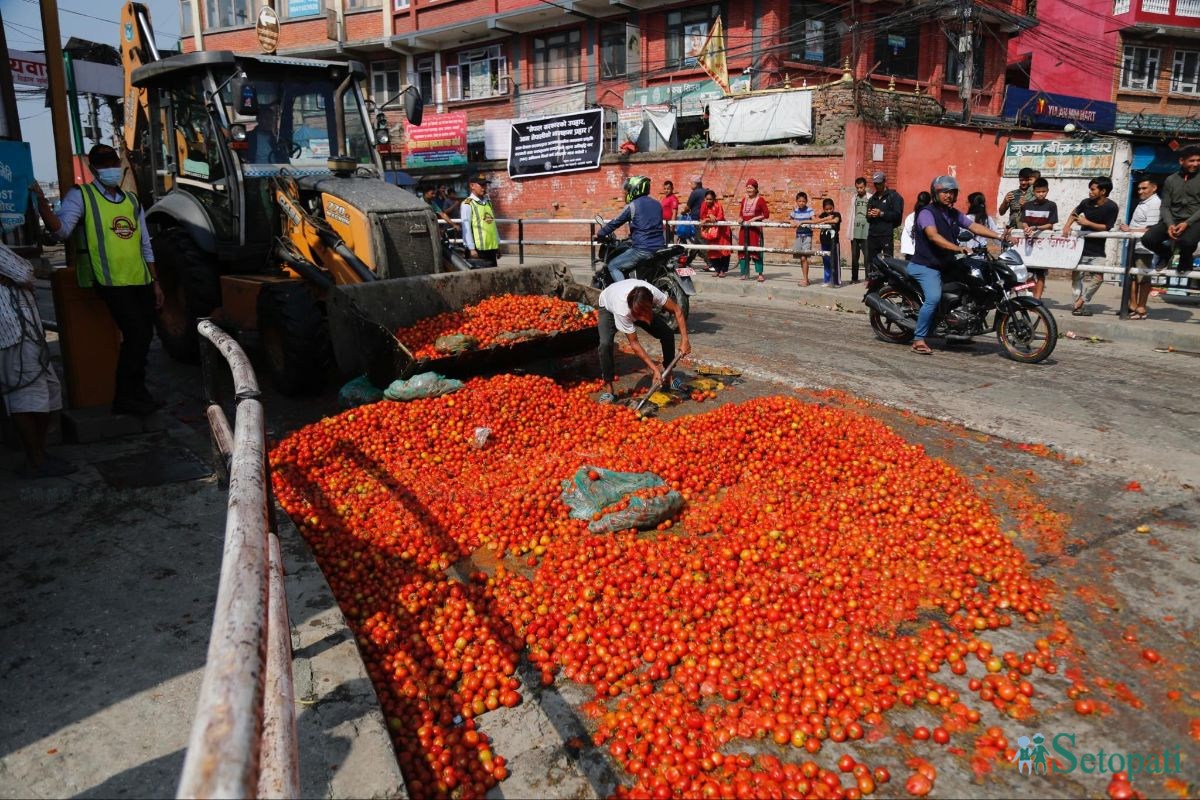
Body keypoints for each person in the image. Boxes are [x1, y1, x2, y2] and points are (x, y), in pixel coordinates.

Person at [32, 144, 164, 416]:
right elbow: (62, 232)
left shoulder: (131, 200)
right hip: (110, 281)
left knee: (143, 337)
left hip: (139, 279)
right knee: (137, 335)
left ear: (120, 165)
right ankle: (127, 397)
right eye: (103, 165)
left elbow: (145, 244)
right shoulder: (81, 196)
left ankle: (137, 393)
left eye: (113, 163)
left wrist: (155, 281)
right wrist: (42, 203)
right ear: (93, 169)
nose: (110, 169)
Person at [907, 175, 1006, 355]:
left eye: (952, 192)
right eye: (944, 192)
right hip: (926, 266)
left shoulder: (953, 213)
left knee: (972, 285)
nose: (949, 196)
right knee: (933, 298)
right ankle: (918, 339)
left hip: (947, 264)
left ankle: (956, 329)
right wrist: (958, 248)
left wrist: (1000, 237)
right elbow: (933, 236)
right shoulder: (927, 213)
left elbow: (974, 227)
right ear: (935, 193)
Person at [0, 242, 75, 478]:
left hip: (25, 329)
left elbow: (23, 274)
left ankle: (39, 453)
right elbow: (24, 272)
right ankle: (36, 459)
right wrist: (20, 276)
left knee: (49, 392)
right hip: (13, 331)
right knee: (27, 397)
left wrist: (19, 276)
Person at [596, 279, 691, 403]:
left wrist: (685, 340)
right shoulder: (623, 311)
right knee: (605, 343)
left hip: (638, 306)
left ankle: (669, 377)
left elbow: (677, 310)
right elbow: (634, 344)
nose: (640, 320)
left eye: (643, 316)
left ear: (651, 304)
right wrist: (655, 370)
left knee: (667, 333)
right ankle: (609, 389)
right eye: (638, 317)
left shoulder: (652, 293)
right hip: (608, 304)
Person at [1062, 176, 1119, 316]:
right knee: (1076, 277)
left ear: (1103, 191)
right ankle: (1078, 306)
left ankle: (1082, 300)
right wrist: (1067, 226)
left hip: (1098, 250)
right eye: (1090, 189)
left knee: (1098, 278)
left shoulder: (1111, 207)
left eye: (1093, 189)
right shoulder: (1085, 203)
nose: (1090, 192)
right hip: (1081, 249)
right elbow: (1075, 213)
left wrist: (1087, 223)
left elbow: (1106, 227)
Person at [1141, 144, 1200, 274]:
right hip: (1173, 219)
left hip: (1195, 220)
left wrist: (1187, 223)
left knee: (1188, 242)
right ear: (1181, 161)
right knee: (1148, 239)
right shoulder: (1170, 179)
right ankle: (1165, 253)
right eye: (1192, 160)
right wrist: (1169, 224)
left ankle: (1185, 259)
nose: (1195, 164)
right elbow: (1165, 206)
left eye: (1198, 160)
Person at [596, 176, 665, 283]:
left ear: (634, 189)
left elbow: (616, 222)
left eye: (628, 190)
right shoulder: (657, 204)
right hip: (660, 247)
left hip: (642, 249)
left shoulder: (633, 206)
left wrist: (600, 233)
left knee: (613, 266)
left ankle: (625, 293)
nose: (627, 192)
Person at [1120, 177, 1162, 320]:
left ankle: (1141, 308)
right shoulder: (1145, 202)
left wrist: (1129, 229)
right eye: (1139, 189)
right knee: (1133, 277)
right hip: (1135, 245)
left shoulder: (1155, 203)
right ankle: (1133, 305)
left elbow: (1152, 229)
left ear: (1154, 188)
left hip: (1144, 247)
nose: (1140, 191)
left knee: (1142, 278)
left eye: (1144, 188)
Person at [1020, 178, 1058, 299]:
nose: (1041, 194)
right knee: (1027, 273)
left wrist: (1036, 227)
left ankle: (1038, 299)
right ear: (1034, 192)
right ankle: (1031, 294)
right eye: (1038, 191)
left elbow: (1050, 224)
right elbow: (1024, 222)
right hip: (1028, 244)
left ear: (1047, 191)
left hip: (1043, 245)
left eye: (1043, 191)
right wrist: (1026, 228)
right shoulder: (1027, 205)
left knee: (1041, 273)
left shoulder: (1051, 205)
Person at [865, 171, 903, 274]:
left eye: (879, 183)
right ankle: (872, 281)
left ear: (884, 182)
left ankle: (889, 281)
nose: (877, 186)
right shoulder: (872, 199)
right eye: (875, 184)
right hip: (873, 234)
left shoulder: (893, 196)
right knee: (872, 261)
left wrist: (881, 214)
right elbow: (867, 218)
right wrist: (869, 215)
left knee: (888, 260)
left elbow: (897, 215)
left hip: (886, 234)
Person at [460, 176, 500, 267]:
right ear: (472, 186)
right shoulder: (468, 204)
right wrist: (471, 249)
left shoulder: (488, 202)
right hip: (478, 250)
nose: (484, 187)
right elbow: (466, 228)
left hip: (491, 248)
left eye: (485, 185)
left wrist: (497, 245)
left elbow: (493, 225)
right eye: (481, 185)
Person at [736, 178, 769, 282]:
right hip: (744, 229)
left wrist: (755, 219)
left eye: (751, 187)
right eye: (748, 187)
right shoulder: (744, 200)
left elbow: (766, 214)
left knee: (756, 250)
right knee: (743, 250)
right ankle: (744, 272)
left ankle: (760, 273)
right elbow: (741, 213)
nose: (749, 189)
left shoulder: (760, 200)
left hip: (755, 230)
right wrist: (740, 218)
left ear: (756, 189)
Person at [699, 189, 732, 277]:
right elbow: (702, 216)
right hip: (711, 232)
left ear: (714, 199)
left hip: (722, 232)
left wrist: (709, 218)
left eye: (710, 199)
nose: (708, 201)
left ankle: (723, 271)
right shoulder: (703, 205)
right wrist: (708, 216)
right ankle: (717, 270)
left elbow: (720, 217)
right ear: (704, 199)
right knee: (713, 251)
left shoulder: (718, 205)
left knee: (724, 251)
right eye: (707, 199)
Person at [813, 198, 842, 286]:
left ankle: (836, 281)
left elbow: (835, 220)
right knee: (826, 261)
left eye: (831, 209)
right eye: (827, 209)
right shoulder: (823, 215)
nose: (829, 211)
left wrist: (824, 221)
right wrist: (826, 219)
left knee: (835, 261)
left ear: (833, 207)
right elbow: (816, 221)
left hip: (834, 242)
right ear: (823, 209)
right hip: (824, 242)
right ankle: (827, 280)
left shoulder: (836, 214)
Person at [790, 191, 815, 286]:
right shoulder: (795, 211)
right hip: (798, 236)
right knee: (801, 258)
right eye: (799, 201)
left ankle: (805, 279)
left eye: (803, 201)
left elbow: (814, 220)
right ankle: (805, 278)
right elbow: (789, 219)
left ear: (806, 201)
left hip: (807, 236)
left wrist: (802, 222)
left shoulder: (810, 210)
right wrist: (791, 222)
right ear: (796, 201)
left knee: (804, 257)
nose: (801, 203)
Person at [900, 192, 933, 258]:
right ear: (929, 203)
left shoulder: (911, 216)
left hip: (912, 251)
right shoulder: (927, 216)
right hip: (916, 252)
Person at [850, 177, 870, 282]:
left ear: (865, 186)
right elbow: (852, 215)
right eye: (857, 188)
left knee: (867, 256)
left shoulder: (870, 198)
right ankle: (854, 278)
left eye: (861, 187)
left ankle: (868, 278)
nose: (859, 190)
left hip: (866, 230)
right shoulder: (854, 198)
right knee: (854, 256)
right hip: (855, 230)